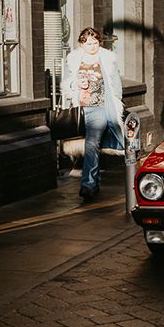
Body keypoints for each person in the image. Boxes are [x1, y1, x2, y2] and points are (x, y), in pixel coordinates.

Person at [62, 27, 124, 201]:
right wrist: (76, 84)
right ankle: (94, 182)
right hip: (80, 109)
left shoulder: (107, 59)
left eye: (95, 42)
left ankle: (87, 184)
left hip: (99, 108)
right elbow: (66, 84)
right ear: (82, 43)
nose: (92, 46)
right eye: (88, 43)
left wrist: (115, 105)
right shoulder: (73, 59)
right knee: (93, 146)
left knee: (91, 143)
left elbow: (116, 85)